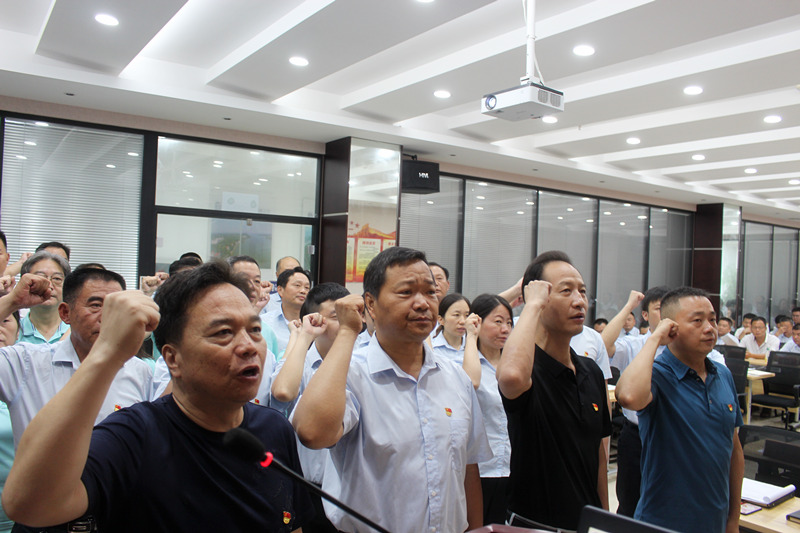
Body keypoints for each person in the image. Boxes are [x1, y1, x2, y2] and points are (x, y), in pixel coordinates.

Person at [2, 261, 312, 532]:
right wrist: (107, 352)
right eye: (223, 333)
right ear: (172, 359)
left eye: (255, 330)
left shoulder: (274, 429)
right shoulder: (133, 436)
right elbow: (30, 504)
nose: (248, 347)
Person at [292, 247, 490, 533]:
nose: (422, 303)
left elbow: (468, 467)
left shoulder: (456, 378)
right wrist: (347, 331)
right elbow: (311, 433)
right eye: (406, 292)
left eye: (430, 292)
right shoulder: (349, 374)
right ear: (370, 305)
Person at [496, 251, 610, 531]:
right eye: (566, 291)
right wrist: (532, 304)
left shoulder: (590, 371)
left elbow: (598, 455)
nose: (579, 301)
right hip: (533, 525)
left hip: (585, 524)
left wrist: (605, 520)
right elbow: (510, 376)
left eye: (582, 291)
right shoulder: (527, 370)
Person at [615, 287, 743, 533]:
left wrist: (733, 519)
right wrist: (655, 338)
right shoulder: (657, 375)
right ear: (671, 328)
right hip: (662, 522)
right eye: (697, 321)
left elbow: (734, 449)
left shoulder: (722, 374)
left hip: (714, 520)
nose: (710, 328)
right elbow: (628, 396)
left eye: (712, 320)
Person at [0, 268, 153, 447]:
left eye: (115, 308)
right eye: (95, 305)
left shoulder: (139, 371)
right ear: (65, 313)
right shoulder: (26, 363)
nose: (107, 317)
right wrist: (11, 301)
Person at [271, 282, 350, 533]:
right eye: (336, 317)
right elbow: (283, 392)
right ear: (315, 320)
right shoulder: (300, 363)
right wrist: (305, 336)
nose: (347, 323)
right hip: (310, 489)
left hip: (351, 489)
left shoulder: (361, 363)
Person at [460, 293, 513, 526]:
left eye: (509, 322)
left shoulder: (514, 365)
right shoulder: (463, 362)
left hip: (512, 467)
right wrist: (470, 337)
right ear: (477, 322)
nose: (505, 329)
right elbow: (471, 383)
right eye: (498, 321)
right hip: (479, 471)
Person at [17, 251, 71, 344]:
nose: (49, 285)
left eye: (57, 279)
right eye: (40, 278)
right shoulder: (13, 330)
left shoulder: (76, 331)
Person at [264, 267, 311, 354]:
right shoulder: (265, 322)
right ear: (280, 290)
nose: (303, 291)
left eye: (307, 287)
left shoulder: (313, 324)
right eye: (297, 285)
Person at [431, 293, 470, 361]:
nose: (463, 321)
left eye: (467, 315)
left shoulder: (474, 346)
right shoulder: (432, 348)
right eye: (456, 315)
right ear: (440, 319)